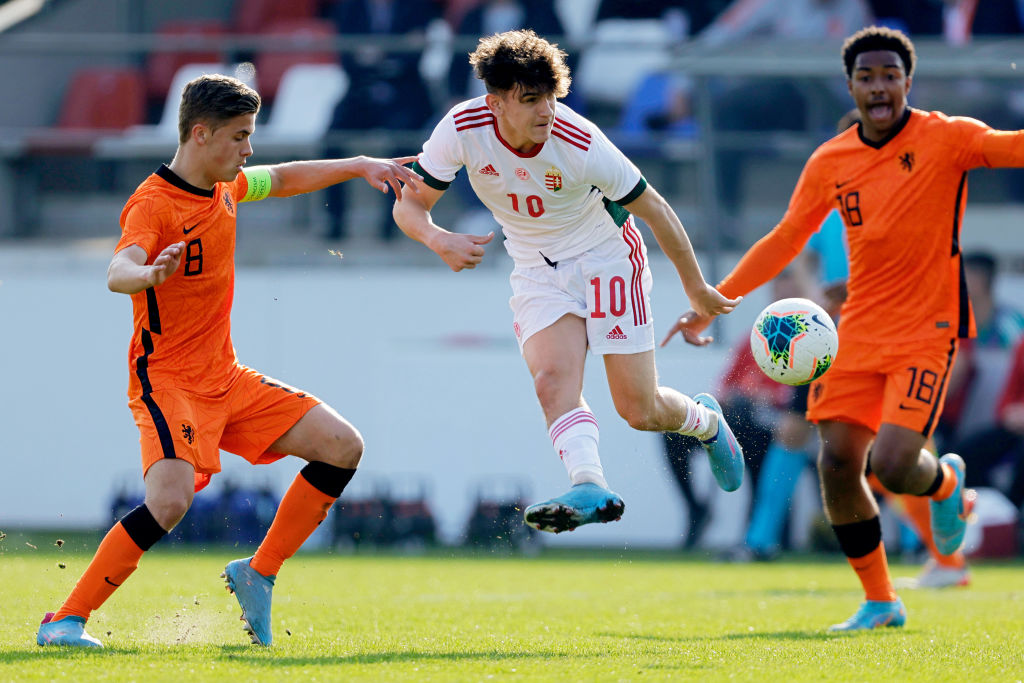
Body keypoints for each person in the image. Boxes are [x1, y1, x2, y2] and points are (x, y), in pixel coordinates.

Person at [36, 74, 420, 649]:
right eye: (240, 136)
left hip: (226, 377)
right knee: (170, 502)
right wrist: (147, 274)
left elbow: (284, 177)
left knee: (342, 446)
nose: (248, 149)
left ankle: (258, 573)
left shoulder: (227, 187)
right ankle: (65, 620)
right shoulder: (153, 204)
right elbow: (118, 269)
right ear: (201, 134)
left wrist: (359, 164)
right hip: (168, 382)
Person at [663, 26, 1021, 630]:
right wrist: (714, 299)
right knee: (838, 464)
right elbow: (785, 238)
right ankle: (881, 600)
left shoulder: (947, 137)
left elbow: (1014, 147)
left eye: (889, 76)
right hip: (855, 334)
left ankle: (944, 487)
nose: (878, 87)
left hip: (926, 331)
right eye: (866, 77)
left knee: (895, 464)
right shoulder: (831, 161)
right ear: (850, 86)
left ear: (908, 81)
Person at [393, 29, 745, 534]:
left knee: (639, 410)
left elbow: (656, 209)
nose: (546, 112)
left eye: (551, 98)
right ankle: (588, 483)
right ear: (495, 103)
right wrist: (436, 238)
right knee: (551, 380)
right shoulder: (462, 128)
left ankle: (707, 423)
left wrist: (696, 289)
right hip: (536, 266)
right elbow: (409, 205)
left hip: (607, 258)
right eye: (530, 100)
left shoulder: (579, 141)